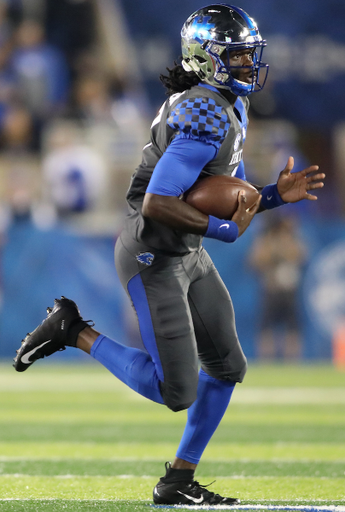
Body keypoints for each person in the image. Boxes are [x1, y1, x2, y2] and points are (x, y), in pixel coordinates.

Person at [13, 4, 325, 507]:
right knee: (175, 391)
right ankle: (72, 329)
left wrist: (270, 196)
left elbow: (222, 191)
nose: (249, 64)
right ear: (207, 59)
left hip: (186, 251)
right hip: (152, 253)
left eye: (250, 55)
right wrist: (225, 228)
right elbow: (161, 202)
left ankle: (178, 480)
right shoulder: (203, 109)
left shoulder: (224, 103)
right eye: (238, 56)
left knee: (226, 366)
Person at [249, 215, 307, 360]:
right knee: (266, 327)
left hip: (289, 289)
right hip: (271, 289)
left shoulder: (293, 240)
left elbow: (300, 256)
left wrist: (283, 244)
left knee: (292, 327)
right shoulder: (265, 241)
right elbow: (256, 261)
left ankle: (292, 361)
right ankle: (267, 361)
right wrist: (273, 247)